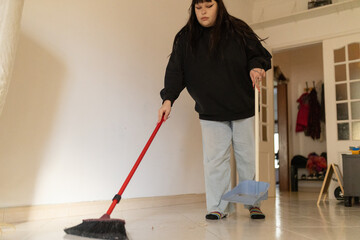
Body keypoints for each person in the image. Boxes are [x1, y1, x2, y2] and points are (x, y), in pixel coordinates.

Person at [158, 0, 272, 220]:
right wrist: (167, 99)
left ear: (218, 6)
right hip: (210, 109)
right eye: (198, 8)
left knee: (247, 157)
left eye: (208, 6)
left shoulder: (238, 30)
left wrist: (256, 67)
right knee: (215, 160)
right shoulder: (186, 38)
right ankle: (218, 207)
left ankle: (253, 203)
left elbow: (258, 55)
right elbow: (175, 71)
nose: (203, 12)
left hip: (242, 106)